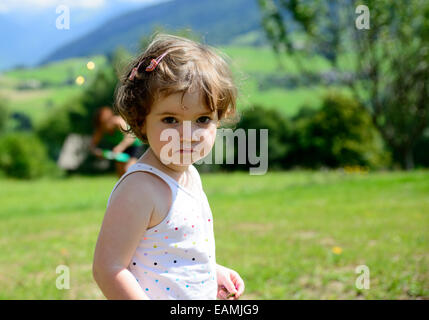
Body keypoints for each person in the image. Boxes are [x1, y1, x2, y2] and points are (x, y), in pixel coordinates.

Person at [92, 33, 245, 300]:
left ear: (219, 119)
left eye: (202, 119)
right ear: (141, 121)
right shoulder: (140, 189)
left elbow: (178, 253)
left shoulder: (190, 175)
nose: (187, 133)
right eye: (171, 119)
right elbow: (109, 269)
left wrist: (212, 274)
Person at [90, 106, 146, 177]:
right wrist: (97, 152)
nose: (104, 127)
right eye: (101, 124)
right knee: (121, 174)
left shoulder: (119, 122)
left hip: (135, 146)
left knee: (129, 170)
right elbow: (92, 145)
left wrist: (120, 147)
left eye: (105, 123)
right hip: (120, 150)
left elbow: (130, 137)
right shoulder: (101, 129)